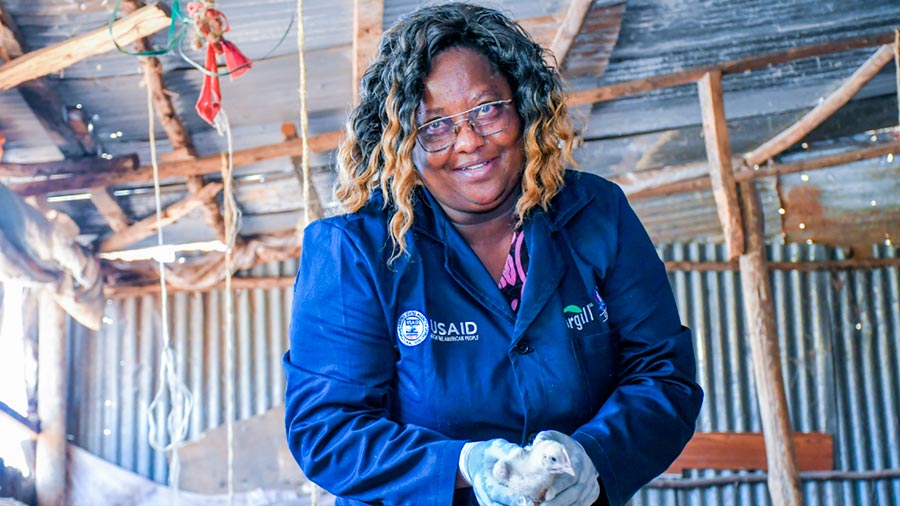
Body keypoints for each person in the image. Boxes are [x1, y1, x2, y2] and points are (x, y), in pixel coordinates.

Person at [283, 3, 703, 505]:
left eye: (487, 109)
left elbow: (662, 375)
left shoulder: (597, 215)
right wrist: (464, 464)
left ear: (522, 105)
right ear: (400, 142)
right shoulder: (355, 250)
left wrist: (593, 458)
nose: (468, 141)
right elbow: (328, 431)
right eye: (433, 125)